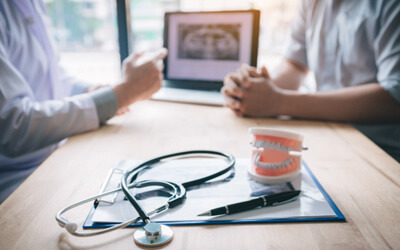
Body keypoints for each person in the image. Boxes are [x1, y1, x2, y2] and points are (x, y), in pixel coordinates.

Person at [0, 1, 167, 203]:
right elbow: (13, 126)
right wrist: (119, 97)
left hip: (54, 158)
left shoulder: (33, 3)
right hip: (17, 185)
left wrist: (94, 91)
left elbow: (51, 76)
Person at [221, 0, 400, 161]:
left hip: (382, 150)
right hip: (329, 136)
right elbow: (295, 64)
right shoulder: (311, 3)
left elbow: (394, 96)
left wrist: (279, 102)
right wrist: (252, 90)